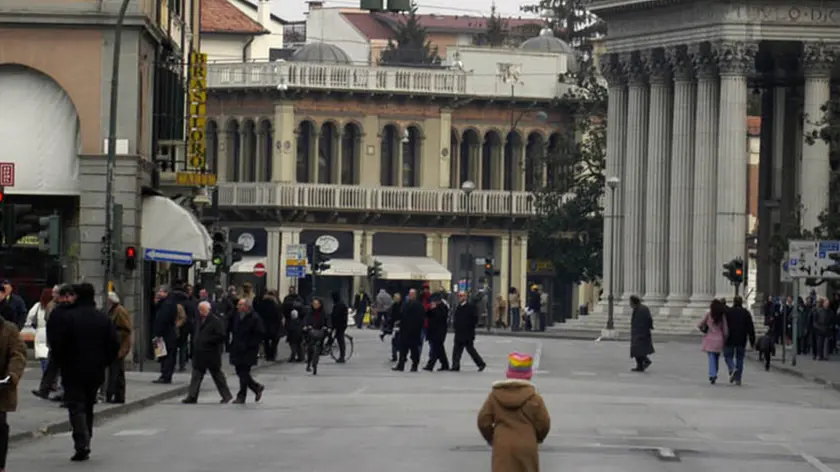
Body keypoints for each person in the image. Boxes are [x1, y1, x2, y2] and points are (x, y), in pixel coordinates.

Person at [50, 283, 119, 461]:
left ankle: (82, 441)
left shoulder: (69, 317)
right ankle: (87, 436)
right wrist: (104, 362)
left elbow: (59, 344)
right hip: (95, 370)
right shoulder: (103, 318)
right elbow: (114, 344)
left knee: (75, 405)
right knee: (88, 404)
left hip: (72, 368)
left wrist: (60, 362)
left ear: (77, 296)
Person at [477, 352, 550, 472]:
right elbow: (544, 422)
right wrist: (537, 437)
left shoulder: (495, 396)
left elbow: (483, 420)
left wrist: (491, 437)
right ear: (528, 375)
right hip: (527, 443)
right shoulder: (534, 397)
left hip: (502, 443)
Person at [182, 301, 232, 404]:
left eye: (204, 310)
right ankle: (192, 396)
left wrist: (208, 340)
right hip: (199, 354)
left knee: (217, 375)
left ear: (208, 310)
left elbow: (221, 336)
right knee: (196, 375)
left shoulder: (215, 321)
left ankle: (226, 395)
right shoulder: (198, 320)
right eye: (200, 310)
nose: (201, 312)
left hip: (211, 354)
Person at [34, 285, 71, 401]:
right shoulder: (55, 307)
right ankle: (46, 389)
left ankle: (57, 391)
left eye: (56, 293)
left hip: (61, 344)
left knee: (59, 369)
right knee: (52, 368)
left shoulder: (59, 309)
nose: (54, 295)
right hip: (57, 344)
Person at [229, 298, 265, 404]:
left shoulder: (254, 318)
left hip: (248, 350)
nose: (238, 307)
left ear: (246, 306)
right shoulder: (236, 316)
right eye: (238, 305)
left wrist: (250, 344)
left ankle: (241, 396)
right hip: (237, 348)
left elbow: (259, 333)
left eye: (240, 305)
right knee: (240, 372)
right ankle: (256, 387)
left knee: (244, 372)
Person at [104, 291, 133, 404]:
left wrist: (114, 334)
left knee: (116, 371)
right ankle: (115, 395)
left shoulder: (119, 311)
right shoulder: (113, 311)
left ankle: (116, 395)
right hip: (115, 345)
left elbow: (126, 329)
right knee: (116, 371)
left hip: (119, 346)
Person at [723, 296, 755, 386]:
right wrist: (752, 341)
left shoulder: (728, 313)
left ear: (733, 302)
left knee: (728, 356)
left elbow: (724, 326)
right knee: (740, 358)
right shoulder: (746, 313)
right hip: (742, 339)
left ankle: (732, 368)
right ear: (741, 302)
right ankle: (738, 378)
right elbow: (750, 328)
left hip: (730, 338)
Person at [451, 291, 486, 372]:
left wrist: (469, 327)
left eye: (462, 296)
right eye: (459, 296)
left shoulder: (470, 307)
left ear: (466, 297)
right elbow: (456, 318)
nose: (461, 297)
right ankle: (455, 365)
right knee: (456, 350)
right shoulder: (458, 307)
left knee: (470, 350)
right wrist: (455, 327)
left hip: (467, 333)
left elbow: (474, 319)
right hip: (459, 332)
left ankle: (481, 364)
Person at [393, 289, 424, 372]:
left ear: (415, 295)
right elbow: (401, 315)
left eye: (412, 294)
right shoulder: (406, 304)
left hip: (414, 331)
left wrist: (418, 328)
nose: (411, 295)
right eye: (410, 294)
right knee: (403, 349)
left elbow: (421, 318)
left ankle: (414, 365)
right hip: (405, 330)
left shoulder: (419, 305)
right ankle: (401, 365)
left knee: (414, 350)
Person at [698, 299, 728, 384]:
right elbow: (725, 330)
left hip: (710, 338)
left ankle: (712, 374)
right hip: (719, 339)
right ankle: (715, 371)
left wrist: (704, 329)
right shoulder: (722, 316)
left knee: (711, 357)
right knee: (716, 357)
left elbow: (700, 324)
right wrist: (725, 338)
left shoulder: (708, 314)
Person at [25, 288, 53, 373]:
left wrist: (32, 325)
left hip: (40, 332)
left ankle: (45, 371)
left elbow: (30, 316)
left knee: (42, 354)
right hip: (52, 331)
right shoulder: (54, 305)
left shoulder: (38, 306)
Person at [303, 298, 330, 375]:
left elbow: (327, 321)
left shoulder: (323, 313)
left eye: (317, 304)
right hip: (311, 333)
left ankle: (315, 362)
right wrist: (306, 326)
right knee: (309, 348)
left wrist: (327, 327)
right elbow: (306, 320)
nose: (315, 305)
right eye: (314, 304)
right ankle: (309, 363)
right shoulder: (310, 313)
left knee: (318, 348)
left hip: (320, 332)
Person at [254, 290, 283, 362]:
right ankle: (272, 355)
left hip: (264, 324)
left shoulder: (262, 303)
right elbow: (278, 315)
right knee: (274, 341)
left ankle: (267, 355)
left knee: (266, 341)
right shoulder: (275, 304)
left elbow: (258, 312)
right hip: (274, 325)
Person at [423, 298, 450, 371]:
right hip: (433, 331)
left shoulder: (443, 307)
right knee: (439, 349)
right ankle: (444, 364)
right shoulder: (434, 308)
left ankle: (430, 365)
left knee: (436, 349)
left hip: (439, 332)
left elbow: (440, 317)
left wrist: (434, 309)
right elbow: (428, 315)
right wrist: (430, 309)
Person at [329, 291, 349, 363]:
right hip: (342, 325)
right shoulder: (341, 304)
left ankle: (342, 356)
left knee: (340, 340)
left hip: (339, 325)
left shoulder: (338, 305)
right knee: (339, 339)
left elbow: (335, 315)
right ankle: (341, 355)